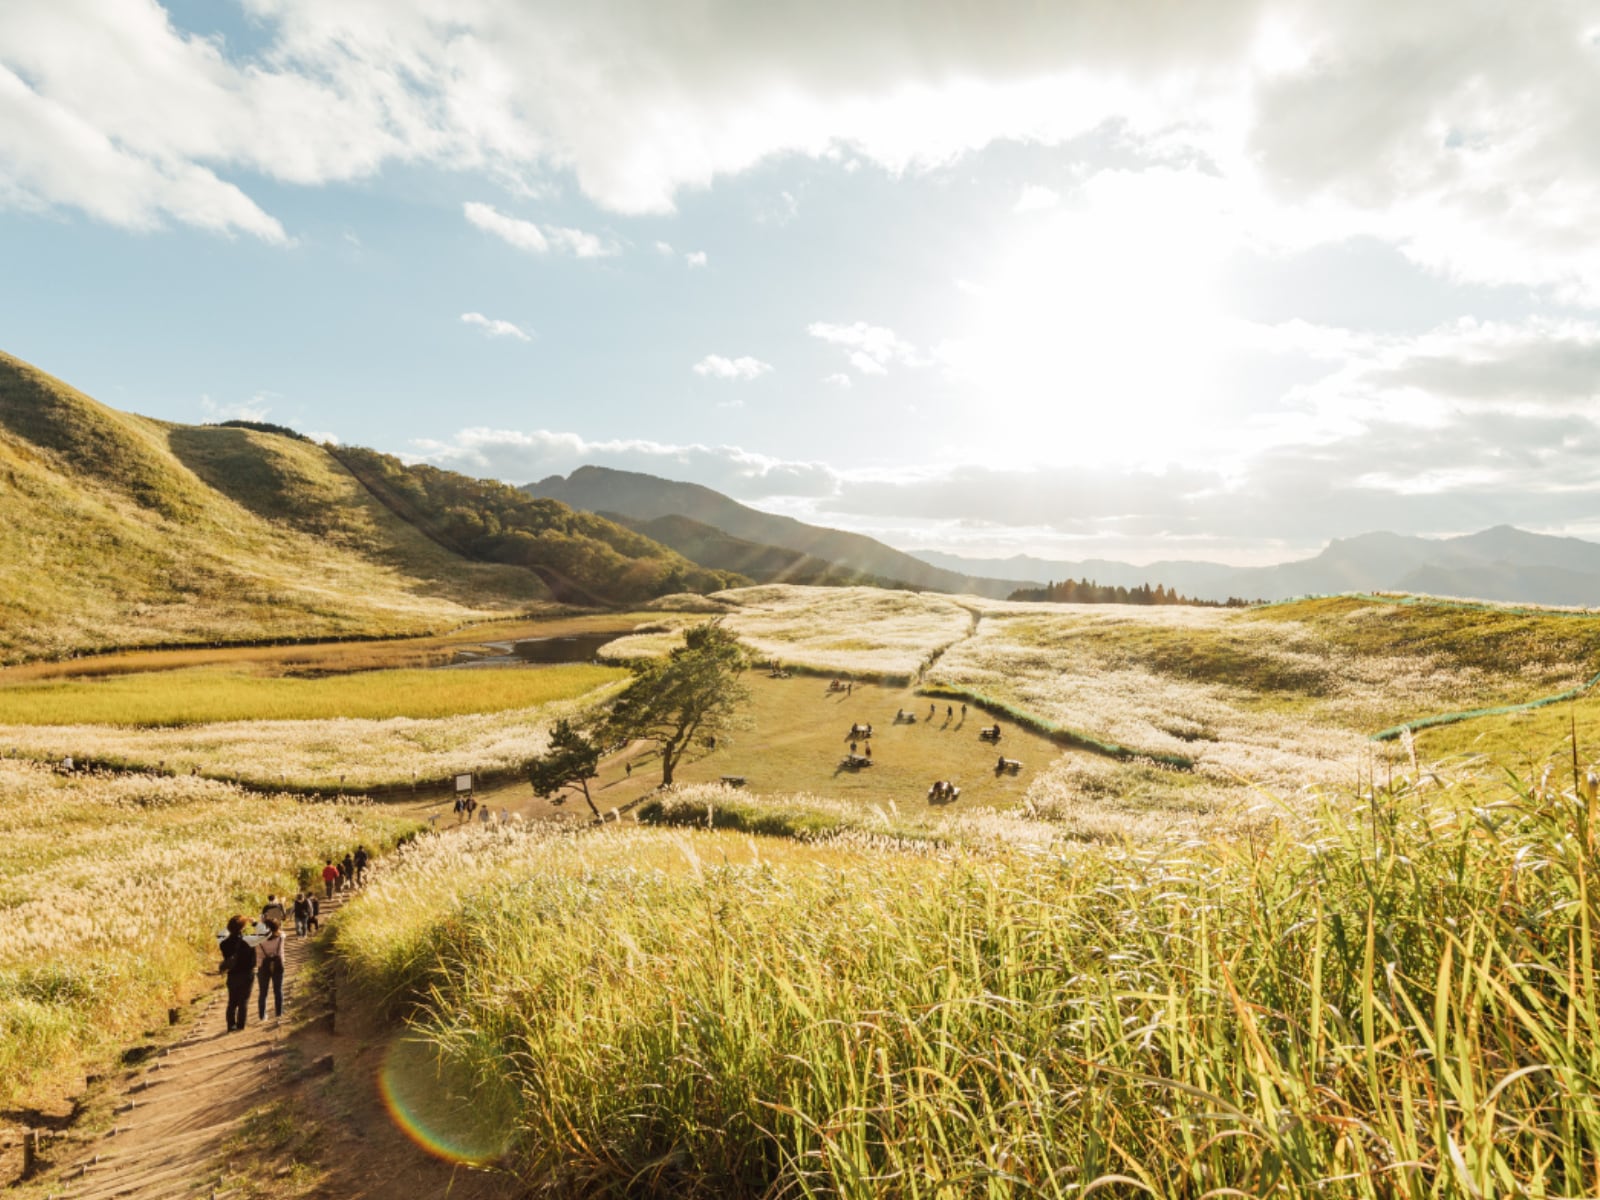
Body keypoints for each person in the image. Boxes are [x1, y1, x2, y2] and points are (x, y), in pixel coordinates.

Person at [218, 915, 256, 1032]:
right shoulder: (248, 940)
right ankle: (241, 1025)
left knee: (232, 1001)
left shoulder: (224, 943)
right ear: (243, 928)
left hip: (233, 974)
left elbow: (221, 934)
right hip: (247, 973)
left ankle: (231, 1025)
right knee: (243, 1001)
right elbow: (253, 960)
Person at [255, 918, 285, 1021]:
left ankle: (262, 1016)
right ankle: (279, 1013)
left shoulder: (258, 939)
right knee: (278, 990)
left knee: (263, 993)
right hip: (278, 965)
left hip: (262, 966)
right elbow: (282, 932)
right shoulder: (281, 937)